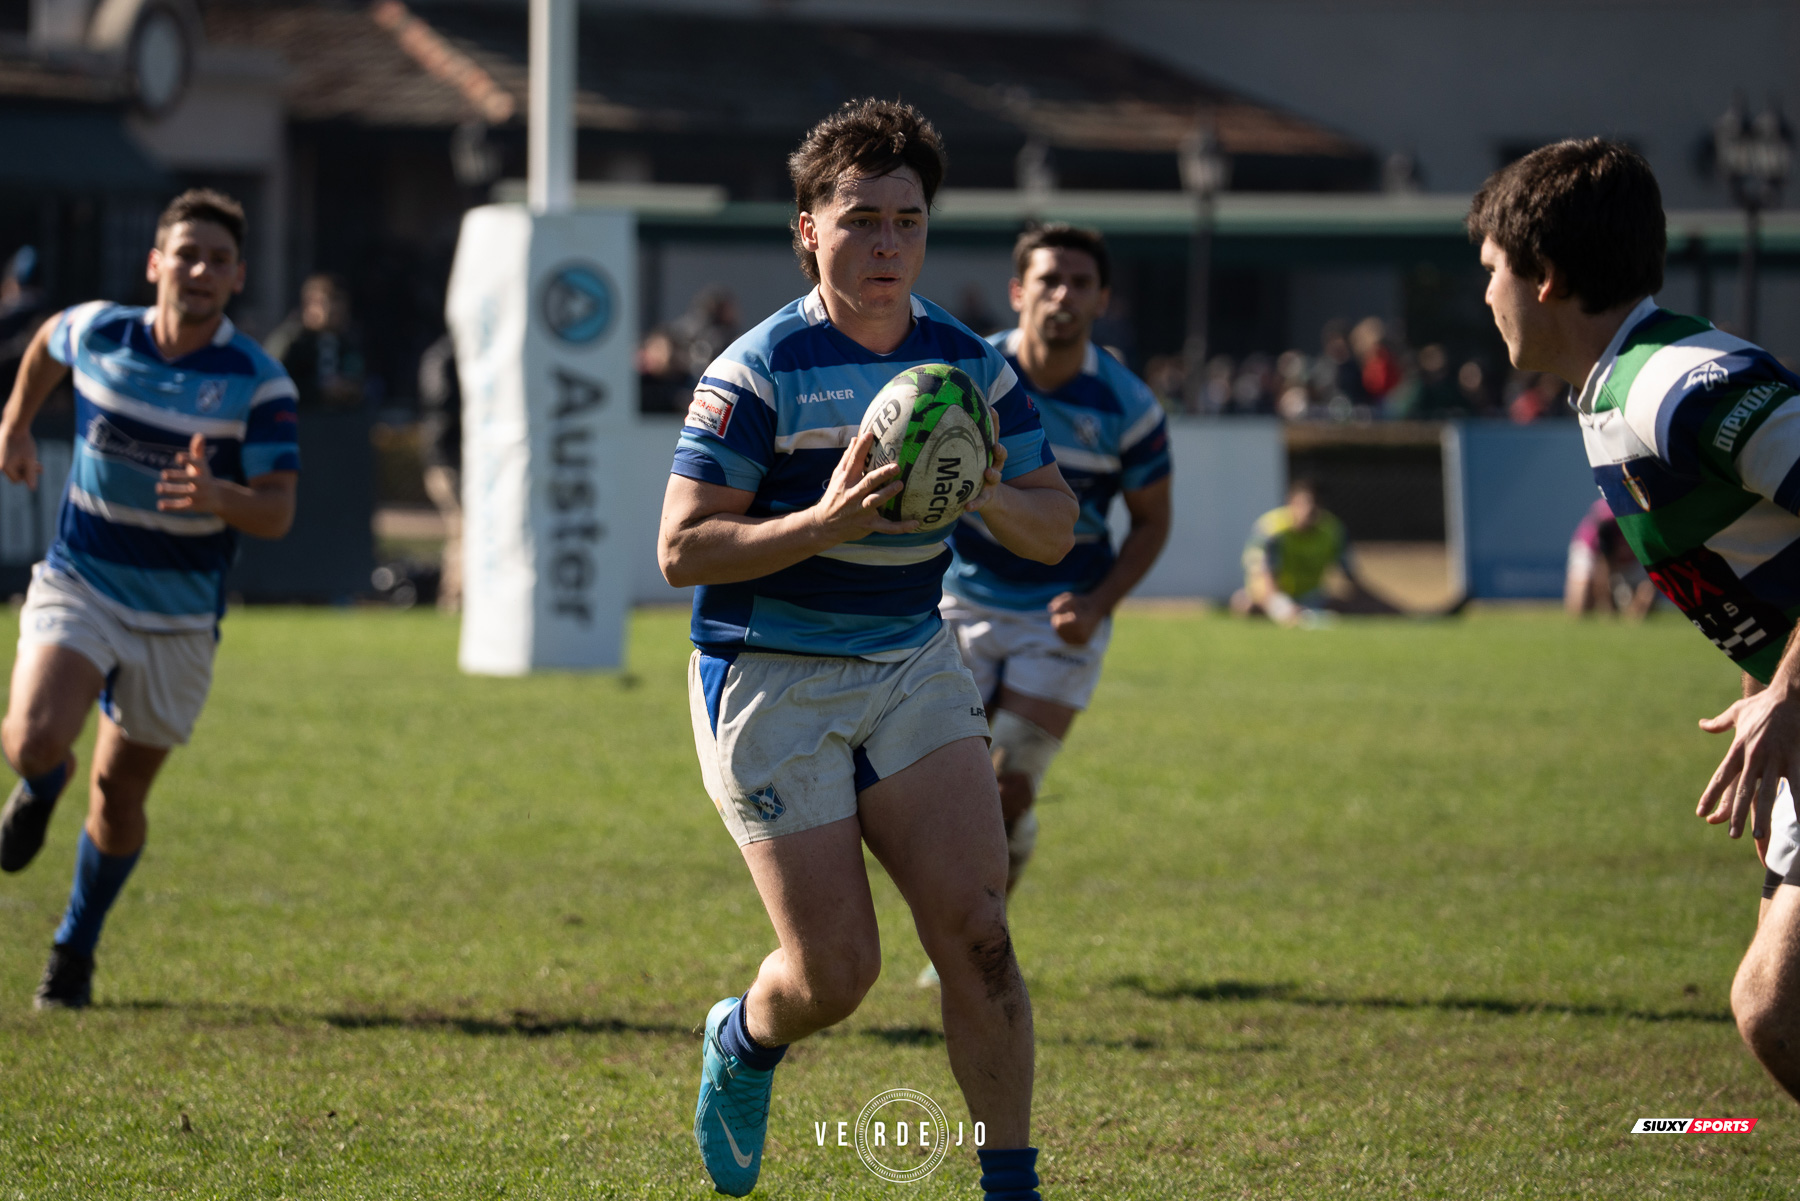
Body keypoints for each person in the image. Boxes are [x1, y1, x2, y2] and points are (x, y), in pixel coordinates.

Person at [658, 99, 1076, 1200]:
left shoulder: (970, 367)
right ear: (808, 228)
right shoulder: (756, 370)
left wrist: (984, 488)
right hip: (766, 675)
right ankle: (745, 1037)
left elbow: (1056, 520)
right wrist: (819, 525)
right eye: (860, 220)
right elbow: (682, 548)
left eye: (907, 220)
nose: (887, 243)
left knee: (980, 934)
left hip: (908, 662)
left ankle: (1011, 1184)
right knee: (836, 975)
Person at [1470, 138, 1800, 1102]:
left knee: (1774, 1007)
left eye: (1491, 272)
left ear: (1547, 279)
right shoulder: (1614, 388)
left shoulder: (1682, 384)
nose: (1483, 298)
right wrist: (1765, 709)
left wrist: (1784, 694)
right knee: (1776, 1009)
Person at [0, 189, 299, 1009]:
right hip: (83, 579)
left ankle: (74, 948)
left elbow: (275, 509)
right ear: (154, 263)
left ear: (236, 278)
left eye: (218, 260)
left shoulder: (259, 381)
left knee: (120, 797)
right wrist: (16, 423)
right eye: (187, 253)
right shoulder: (101, 329)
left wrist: (217, 496)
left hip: (176, 615)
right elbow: (44, 345)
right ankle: (39, 778)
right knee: (30, 739)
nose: (200, 270)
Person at [937, 223, 1171, 912]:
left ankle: (981, 930)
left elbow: (1153, 520)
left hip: (1062, 616)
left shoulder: (1130, 407)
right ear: (1018, 292)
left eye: (1080, 283)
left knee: (1007, 783)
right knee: (950, 784)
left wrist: (1099, 602)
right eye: (1048, 280)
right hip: (960, 602)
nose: (1063, 294)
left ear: (1104, 300)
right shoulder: (969, 379)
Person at [1230, 479, 1398, 624]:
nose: (1309, 509)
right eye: (1304, 503)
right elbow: (1262, 575)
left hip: (1312, 598)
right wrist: (1281, 608)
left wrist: (1386, 606)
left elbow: (1351, 577)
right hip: (1270, 598)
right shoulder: (1271, 531)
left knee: (1353, 607)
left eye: (1315, 503)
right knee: (1244, 605)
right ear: (1290, 502)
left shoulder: (1333, 531)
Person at [265, 273, 366, 409]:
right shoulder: (291, 341)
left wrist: (350, 389)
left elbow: (361, 378)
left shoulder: (350, 343)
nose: (335, 308)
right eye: (329, 300)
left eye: (339, 300)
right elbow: (274, 384)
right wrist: (318, 391)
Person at [417, 331, 462, 612]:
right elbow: (441, 402)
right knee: (463, 529)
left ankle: (455, 599)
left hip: (462, 459)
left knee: (463, 532)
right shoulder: (443, 355)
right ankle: (453, 600)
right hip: (446, 459)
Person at [1564, 497, 1654, 619]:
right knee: (1580, 608)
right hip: (1593, 553)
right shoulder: (1608, 518)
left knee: (1645, 600)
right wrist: (1607, 607)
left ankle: (1625, 608)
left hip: (1631, 559)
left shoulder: (1645, 510)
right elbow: (1603, 565)